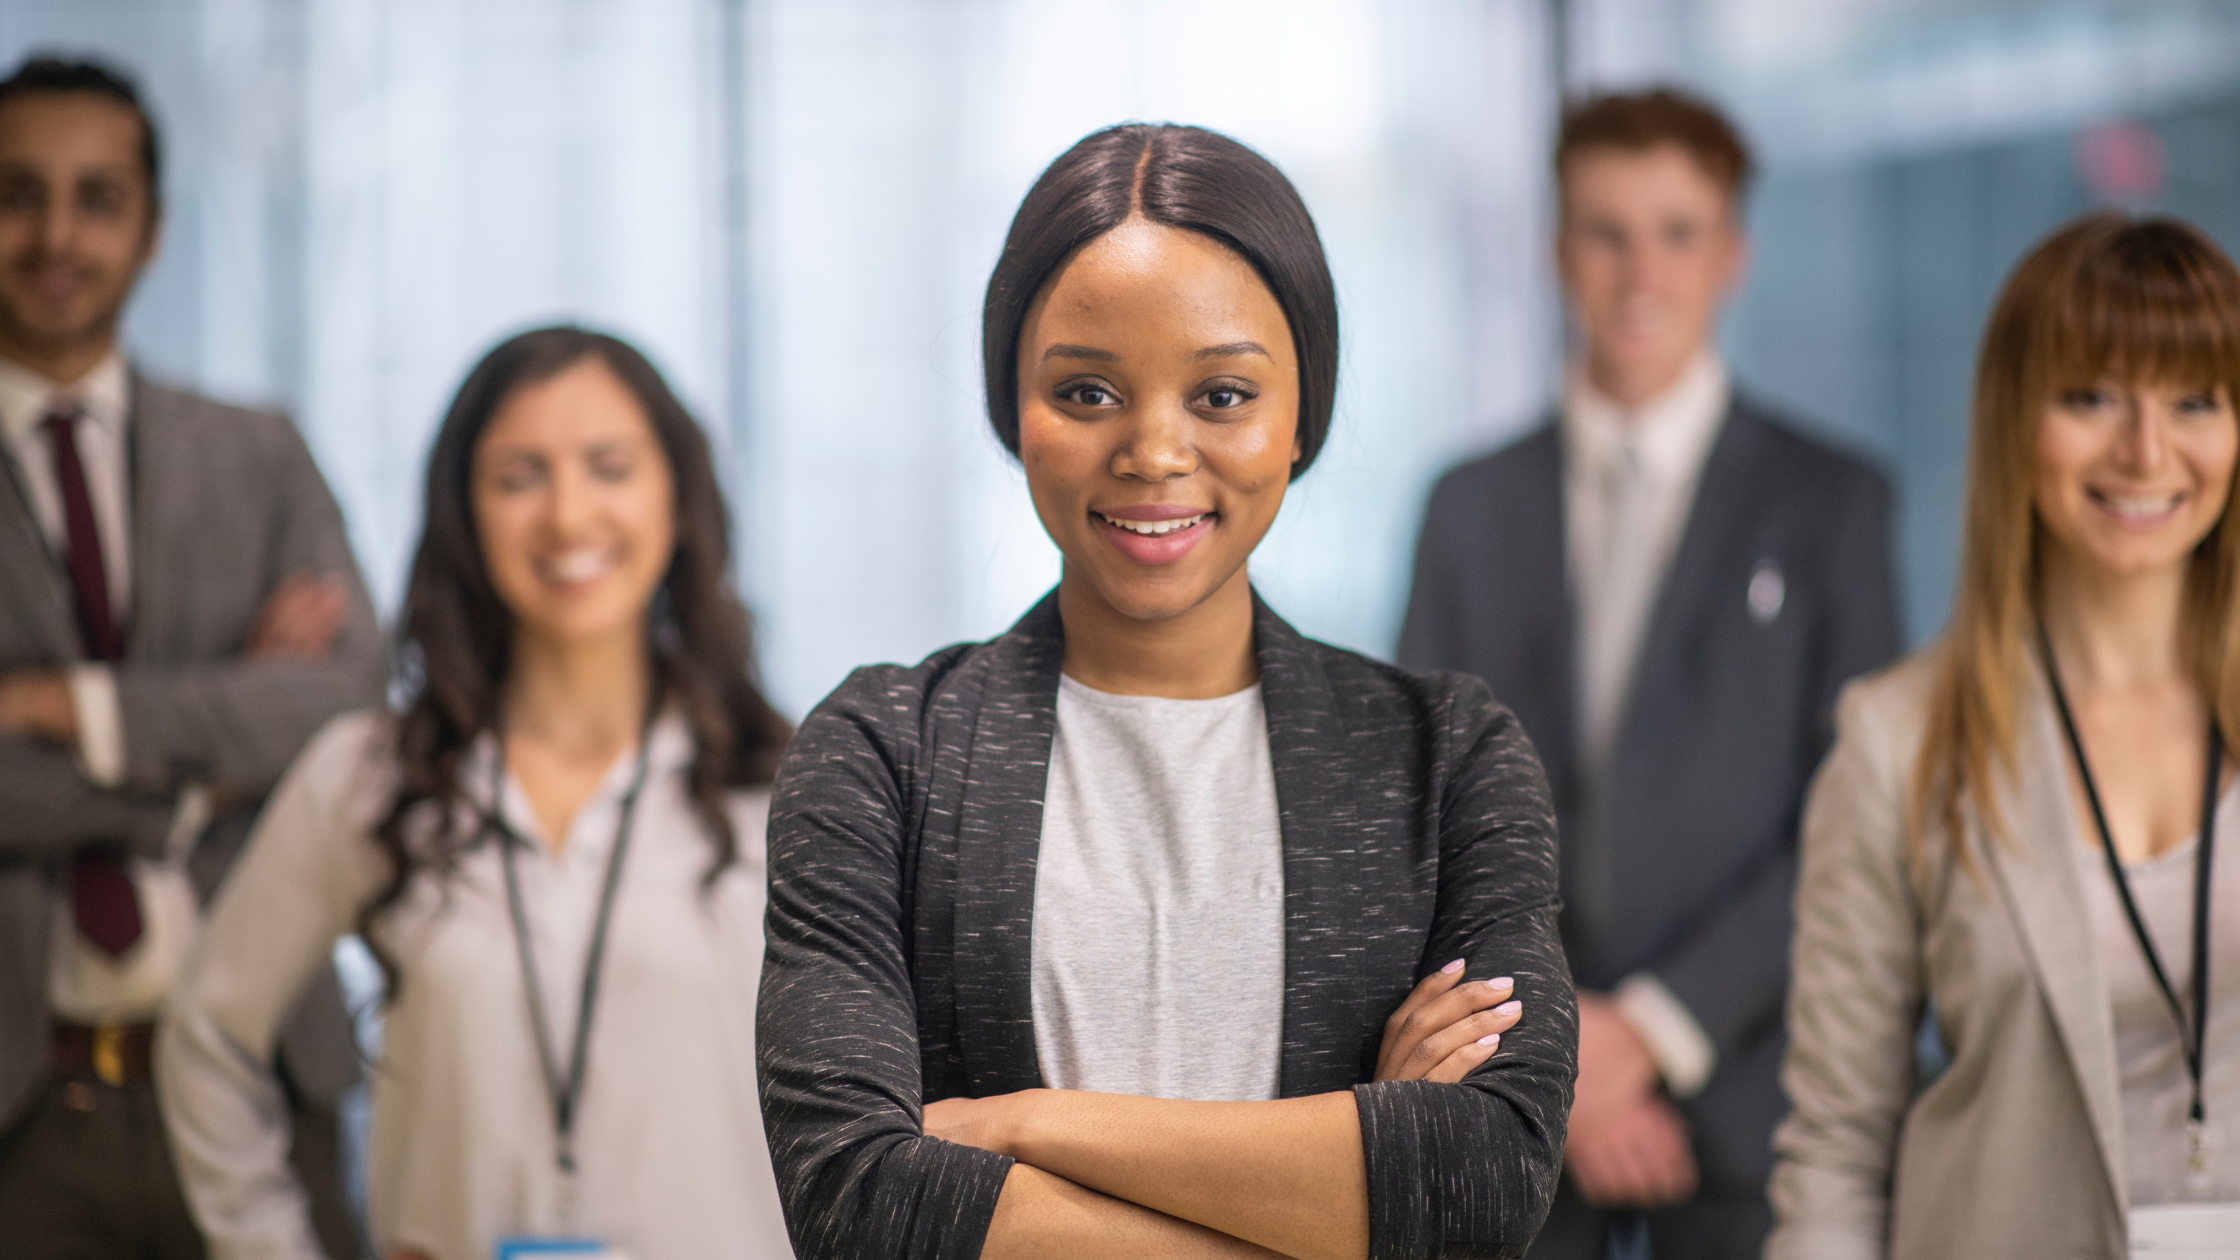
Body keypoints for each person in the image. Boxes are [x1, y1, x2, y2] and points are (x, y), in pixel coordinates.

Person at [757, 122, 1574, 1260]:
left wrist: (1023, 1128)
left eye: (1221, 394)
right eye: (1086, 390)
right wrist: (1349, 1186)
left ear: (1300, 421)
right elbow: (860, 1205)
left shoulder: (1444, 760)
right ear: (1012, 413)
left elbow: (1482, 1184)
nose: (1152, 452)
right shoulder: (883, 752)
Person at [158, 327, 797, 1260]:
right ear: (466, 514)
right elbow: (209, 1036)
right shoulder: (368, 777)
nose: (568, 514)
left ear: (679, 502)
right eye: (518, 476)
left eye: (609, 466)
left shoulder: (789, 789)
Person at [1395, 87, 1901, 1258]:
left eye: (1676, 233)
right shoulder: (1465, 509)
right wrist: (1558, 1059)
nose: (1639, 273)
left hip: (1750, 1114)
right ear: (1554, 247)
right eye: (1604, 232)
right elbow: (1419, 808)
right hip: (1510, 1120)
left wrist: (1658, 1033)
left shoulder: (1831, 507)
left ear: (1730, 254)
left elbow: (1853, 823)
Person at [1770, 215, 2240, 1257]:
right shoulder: (1895, 740)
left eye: (2193, 400)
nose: (2145, 450)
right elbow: (1838, 1152)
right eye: (2090, 396)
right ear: (2012, 418)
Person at [0, 55, 381, 1259]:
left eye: (98, 197)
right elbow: (284, 734)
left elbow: (349, 706)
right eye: (19, 192)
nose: (58, 233)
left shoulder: (259, 454)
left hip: (270, 1083)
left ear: (153, 228)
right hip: (20, 1109)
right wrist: (223, 755)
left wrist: (65, 706)